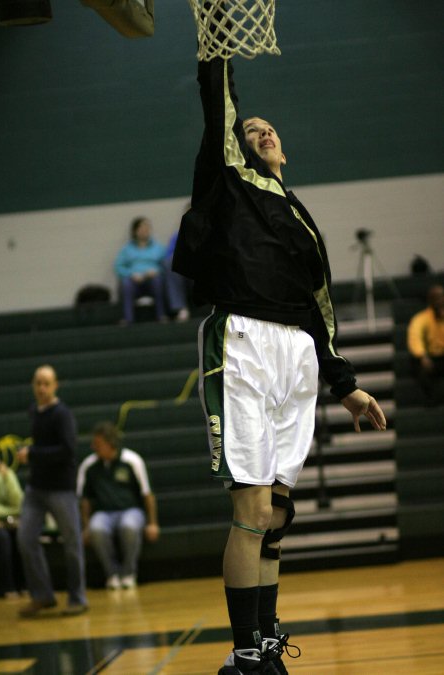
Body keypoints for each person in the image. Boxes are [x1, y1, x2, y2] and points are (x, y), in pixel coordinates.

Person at [173, 52, 387, 675]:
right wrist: (217, 43)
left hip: (297, 354)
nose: (261, 131)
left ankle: (265, 650)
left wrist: (343, 383)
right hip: (243, 339)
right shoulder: (227, 182)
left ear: (284, 150)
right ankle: (244, 658)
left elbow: (319, 307)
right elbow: (221, 106)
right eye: (249, 130)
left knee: (277, 519)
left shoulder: (301, 219)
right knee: (250, 511)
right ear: (232, 149)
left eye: (269, 129)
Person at [16, 365, 88, 617]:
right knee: (25, 539)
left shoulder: (62, 414)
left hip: (61, 489)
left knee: (72, 544)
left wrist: (32, 453)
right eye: (38, 383)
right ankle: (43, 595)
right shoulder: (34, 411)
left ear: (55, 385)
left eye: (46, 383)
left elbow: (67, 451)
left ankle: (77, 597)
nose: (42, 388)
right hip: (36, 488)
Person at [77, 421, 160, 589]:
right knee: (96, 529)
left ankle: (129, 573)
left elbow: (147, 493)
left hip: (131, 510)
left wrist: (152, 523)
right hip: (103, 513)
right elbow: (84, 499)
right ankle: (112, 574)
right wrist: (85, 527)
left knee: (129, 526)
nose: (94, 447)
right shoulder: (89, 465)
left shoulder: (132, 460)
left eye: (98, 444)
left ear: (110, 444)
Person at [115, 216, 168, 324]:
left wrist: (156, 270)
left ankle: (162, 315)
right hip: (134, 280)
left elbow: (165, 266)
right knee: (126, 283)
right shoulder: (127, 249)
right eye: (142, 228)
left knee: (158, 281)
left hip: (152, 279)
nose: (145, 230)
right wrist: (131, 274)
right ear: (135, 231)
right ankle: (128, 318)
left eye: (147, 228)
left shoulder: (158, 247)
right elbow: (118, 266)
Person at [407, 284, 444, 405]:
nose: (441, 301)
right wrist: (422, 356)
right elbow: (415, 337)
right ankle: (431, 402)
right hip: (430, 357)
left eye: (442, 297)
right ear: (431, 301)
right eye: (437, 298)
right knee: (421, 369)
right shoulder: (421, 318)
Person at [0, 450, 24, 597]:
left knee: (22, 535)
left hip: (8, 521)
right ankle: (6, 587)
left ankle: (23, 586)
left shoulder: (6, 475)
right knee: (1, 538)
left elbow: (18, 505)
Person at [163, 230, 191, 322]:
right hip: (186, 274)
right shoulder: (178, 236)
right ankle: (181, 308)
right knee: (170, 263)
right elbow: (169, 255)